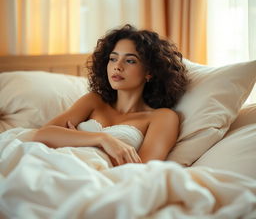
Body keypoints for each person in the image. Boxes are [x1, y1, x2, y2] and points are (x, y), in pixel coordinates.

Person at [34, 24, 189, 167]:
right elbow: (42, 134)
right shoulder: (94, 101)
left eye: (130, 61)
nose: (117, 67)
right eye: (113, 59)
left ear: (149, 72)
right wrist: (102, 139)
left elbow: (142, 168)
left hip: (99, 178)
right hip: (57, 163)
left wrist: (73, 138)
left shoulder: (163, 117)